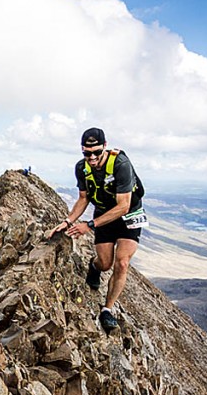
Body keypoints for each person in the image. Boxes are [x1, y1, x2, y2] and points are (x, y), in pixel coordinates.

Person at [50, 127, 147, 331]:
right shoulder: (82, 168)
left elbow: (124, 205)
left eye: (96, 152)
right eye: (87, 153)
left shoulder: (120, 164)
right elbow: (84, 198)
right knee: (105, 263)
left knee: (122, 263)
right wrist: (67, 221)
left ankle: (107, 310)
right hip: (104, 214)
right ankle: (94, 267)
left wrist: (90, 225)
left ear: (104, 146)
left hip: (129, 214)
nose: (92, 157)